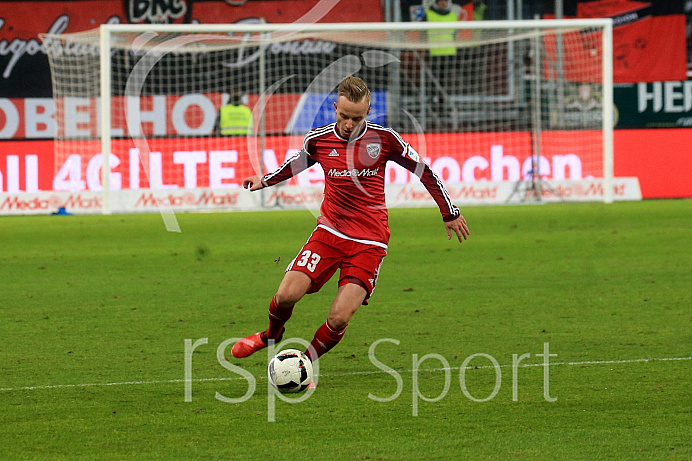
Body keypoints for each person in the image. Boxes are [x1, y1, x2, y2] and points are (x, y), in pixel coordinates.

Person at [231, 76, 470, 372]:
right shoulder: (318, 139)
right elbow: (297, 162)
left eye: (356, 118)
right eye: (343, 116)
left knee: (339, 318)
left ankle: (304, 364)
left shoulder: (385, 140)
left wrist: (449, 212)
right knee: (286, 295)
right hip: (329, 232)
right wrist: (264, 179)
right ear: (335, 108)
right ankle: (270, 336)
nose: (348, 123)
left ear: (367, 113)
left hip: (369, 242)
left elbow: (424, 171)